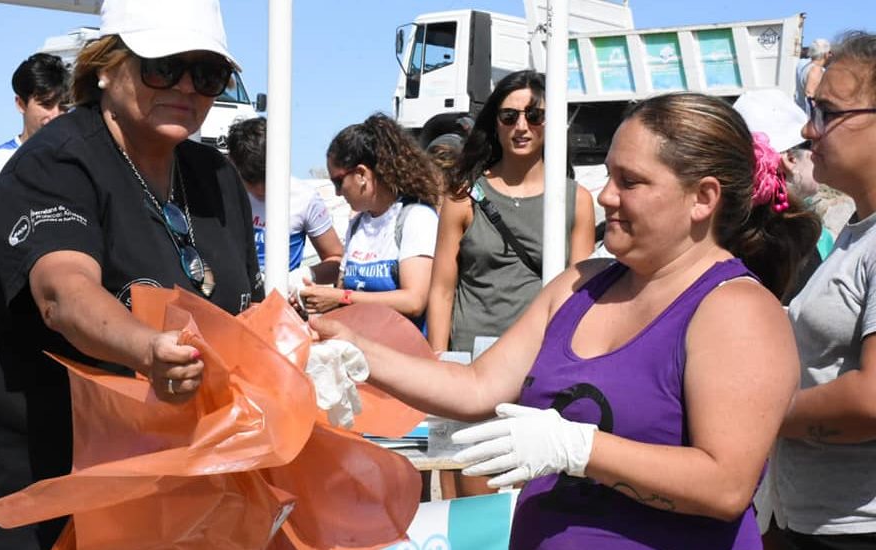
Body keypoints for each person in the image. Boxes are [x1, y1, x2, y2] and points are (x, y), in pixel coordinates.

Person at [311, 92, 820, 548]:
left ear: (702, 199)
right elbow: (474, 387)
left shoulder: (735, 309)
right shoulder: (580, 283)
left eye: (631, 182)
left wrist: (576, 447)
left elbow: (725, 485)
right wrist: (354, 350)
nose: (606, 197)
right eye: (610, 176)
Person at [0, 0, 263, 547]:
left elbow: (246, 311)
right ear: (104, 66)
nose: (188, 86)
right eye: (164, 66)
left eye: (209, 73)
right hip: (18, 484)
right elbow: (65, 292)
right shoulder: (56, 163)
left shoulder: (217, 179)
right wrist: (148, 349)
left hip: (145, 489)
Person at [771, 31, 876, 549]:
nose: (810, 129)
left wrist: (757, 413)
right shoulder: (856, 228)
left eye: (828, 112)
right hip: (818, 522)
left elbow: (872, 399)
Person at [426, 69, 596, 355]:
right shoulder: (463, 197)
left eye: (534, 116)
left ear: (551, 122)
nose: (521, 126)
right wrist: (438, 358)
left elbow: (577, 297)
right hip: (470, 362)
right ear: (495, 123)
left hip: (539, 358)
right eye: (509, 116)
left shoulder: (576, 200)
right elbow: (441, 290)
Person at [296, 113, 441, 330]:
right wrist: (312, 301)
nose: (337, 193)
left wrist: (342, 297)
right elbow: (341, 295)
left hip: (401, 356)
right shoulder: (357, 226)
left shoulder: (416, 219)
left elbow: (414, 301)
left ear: (361, 174)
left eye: (338, 181)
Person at [733, 89, 835, 303]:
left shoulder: (732, 225)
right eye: (811, 145)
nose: (818, 152)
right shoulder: (796, 235)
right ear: (790, 160)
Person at [226, 117, 343, 289]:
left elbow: (337, 260)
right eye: (251, 179)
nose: (261, 189)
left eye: (267, 178)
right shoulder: (222, 193)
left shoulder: (305, 197)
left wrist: (304, 276)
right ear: (232, 163)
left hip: (280, 303)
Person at [0, 52, 70, 205]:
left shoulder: (79, 157)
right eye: (46, 104)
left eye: (64, 106)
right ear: (20, 104)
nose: (56, 114)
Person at [795, 38, 832, 115]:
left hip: (798, 112)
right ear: (825, 54)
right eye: (829, 52)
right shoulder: (816, 70)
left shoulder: (802, 64)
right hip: (809, 118)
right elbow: (810, 96)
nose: (831, 55)